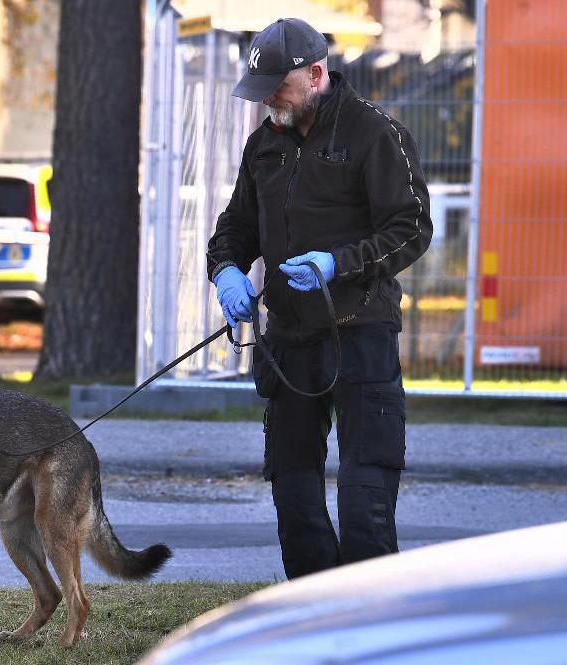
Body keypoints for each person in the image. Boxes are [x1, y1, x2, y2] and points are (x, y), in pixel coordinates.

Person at [206, 18, 432, 580]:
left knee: (365, 489)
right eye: (260, 90)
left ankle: (368, 607)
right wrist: (227, 271)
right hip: (289, 338)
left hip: (361, 332)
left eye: (277, 88)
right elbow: (235, 228)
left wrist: (338, 264)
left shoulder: (374, 133)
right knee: (293, 487)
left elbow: (410, 228)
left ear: (315, 73)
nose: (267, 101)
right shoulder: (264, 146)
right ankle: (311, 605)